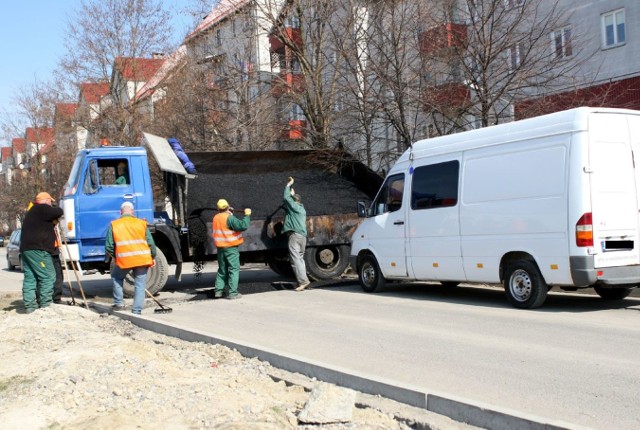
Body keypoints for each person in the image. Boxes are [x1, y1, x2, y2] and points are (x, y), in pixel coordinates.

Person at [105, 202, 156, 314]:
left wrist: (117, 256)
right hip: (142, 259)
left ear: (120, 212)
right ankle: (136, 310)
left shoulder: (114, 224)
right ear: (132, 212)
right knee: (140, 284)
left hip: (124, 260)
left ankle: (119, 303)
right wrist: (153, 256)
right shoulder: (141, 223)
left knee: (116, 277)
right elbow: (151, 243)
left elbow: (108, 246)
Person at [20, 192, 64, 313]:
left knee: (31, 278)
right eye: (50, 201)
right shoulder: (42, 208)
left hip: (26, 249)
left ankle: (30, 306)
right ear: (46, 200)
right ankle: (46, 306)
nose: (51, 204)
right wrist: (55, 207)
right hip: (39, 249)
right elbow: (59, 211)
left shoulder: (33, 211)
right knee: (48, 276)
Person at [212, 199, 251, 300]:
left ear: (218, 208)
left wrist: (230, 213)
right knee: (234, 269)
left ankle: (218, 291)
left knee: (222, 270)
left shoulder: (216, 217)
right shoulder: (229, 218)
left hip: (220, 248)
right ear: (227, 206)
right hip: (230, 248)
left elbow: (225, 224)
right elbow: (243, 225)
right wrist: (247, 215)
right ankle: (233, 293)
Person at [283, 177, 311, 291]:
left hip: (295, 235)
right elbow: (290, 199)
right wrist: (292, 193)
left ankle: (304, 282)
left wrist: (288, 185)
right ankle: (302, 281)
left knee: (296, 259)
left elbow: (286, 198)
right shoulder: (301, 209)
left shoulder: (294, 207)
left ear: (295, 201)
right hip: (302, 236)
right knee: (299, 259)